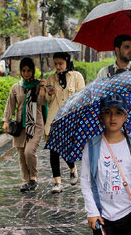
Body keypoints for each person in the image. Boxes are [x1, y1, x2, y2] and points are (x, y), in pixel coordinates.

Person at [80, 94, 131, 235]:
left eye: (118, 113)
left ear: (125, 116)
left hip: (127, 213)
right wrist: (91, 211)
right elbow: (86, 181)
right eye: (107, 112)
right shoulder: (92, 146)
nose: (112, 118)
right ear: (101, 116)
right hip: (101, 213)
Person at [3, 57, 47, 192]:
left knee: (29, 152)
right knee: (21, 155)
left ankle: (33, 177)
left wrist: (42, 89)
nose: (26, 73)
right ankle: (26, 181)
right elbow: (10, 104)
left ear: (33, 71)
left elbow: (42, 103)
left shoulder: (39, 85)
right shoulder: (16, 87)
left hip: (36, 124)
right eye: (24, 70)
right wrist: (6, 120)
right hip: (20, 126)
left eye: (29, 70)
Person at [45, 52, 85, 194]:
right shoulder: (51, 78)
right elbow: (46, 101)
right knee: (54, 150)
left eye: (60, 63)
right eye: (55, 63)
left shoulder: (76, 77)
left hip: (70, 119)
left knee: (66, 149)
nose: (58, 66)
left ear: (67, 62)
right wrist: (48, 93)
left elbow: (82, 97)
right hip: (54, 119)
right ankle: (58, 182)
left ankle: (72, 168)